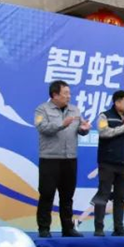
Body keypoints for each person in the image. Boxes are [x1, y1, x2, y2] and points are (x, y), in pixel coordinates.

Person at [35, 80, 91, 238]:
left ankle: (68, 228)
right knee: (47, 194)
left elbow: (80, 129)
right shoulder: (42, 109)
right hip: (50, 159)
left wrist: (84, 129)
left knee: (67, 196)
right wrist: (62, 124)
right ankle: (44, 228)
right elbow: (42, 128)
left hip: (70, 158)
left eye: (69, 93)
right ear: (55, 95)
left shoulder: (74, 110)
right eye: (65, 93)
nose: (69, 96)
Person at [92, 90, 124, 237]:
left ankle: (118, 227)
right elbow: (103, 133)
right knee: (103, 195)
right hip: (107, 162)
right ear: (117, 102)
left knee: (120, 197)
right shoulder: (105, 116)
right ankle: (99, 228)